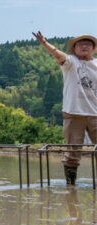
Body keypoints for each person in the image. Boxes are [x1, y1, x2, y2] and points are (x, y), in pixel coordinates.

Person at [34, 32, 97, 185]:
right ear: (74, 49)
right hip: (74, 113)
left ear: (94, 49)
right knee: (74, 152)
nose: (84, 46)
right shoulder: (71, 62)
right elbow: (58, 55)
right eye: (80, 44)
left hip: (96, 113)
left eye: (88, 44)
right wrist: (45, 43)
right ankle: (71, 186)